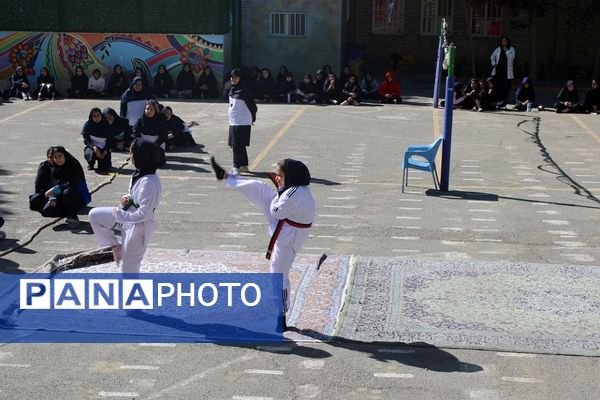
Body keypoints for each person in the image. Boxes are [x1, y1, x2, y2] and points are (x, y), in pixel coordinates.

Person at [210, 157, 315, 331]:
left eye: (280, 175)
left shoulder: (293, 195)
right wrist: (279, 190)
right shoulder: (294, 189)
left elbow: (276, 211)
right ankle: (228, 177)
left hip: (290, 235)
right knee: (259, 188)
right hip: (287, 223)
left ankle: (280, 316)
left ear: (291, 176)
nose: (277, 178)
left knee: (278, 274)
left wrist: (279, 191)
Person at [89, 139, 162, 273]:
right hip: (127, 218)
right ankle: (116, 247)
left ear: (141, 156)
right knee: (94, 215)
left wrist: (120, 215)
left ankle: (133, 292)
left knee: (128, 271)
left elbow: (143, 214)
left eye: (132, 153)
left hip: (139, 228)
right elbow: (133, 195)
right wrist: (127, 198)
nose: (130, 157)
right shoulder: (139, 173)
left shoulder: (149, 182)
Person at [39, 146, 91, 229]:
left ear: (65, 155)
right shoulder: (55, 169)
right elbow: (53, 184)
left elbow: (73, 184)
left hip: (79, 196)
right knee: (47, 211)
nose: (58, 159)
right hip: (63, 195)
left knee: (67, 192)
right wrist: (52, 197)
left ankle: (73, 218)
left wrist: (56, 190)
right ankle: (68, 214)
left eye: (60, 156)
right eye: (55, 157)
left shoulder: (73, 164)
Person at [228, 68, 257, 173]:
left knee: (236, 144)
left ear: (240, 78)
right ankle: (244, 165)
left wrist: (253, 117)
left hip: (242, 121)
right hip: (234, 120)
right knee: (237, 144)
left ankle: (236, 166)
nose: (233, 79)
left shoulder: (244, 90)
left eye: (235, 77)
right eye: (231, 77)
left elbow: (253, 106)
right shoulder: (232, 89)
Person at [133, 100, 168, 166]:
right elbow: (135, 134)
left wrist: (154, 145)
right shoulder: (140, 121)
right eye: (147, 109)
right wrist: (142, 144)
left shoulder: (160, 121)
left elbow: (163, 136)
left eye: (151, 109)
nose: (149, 111)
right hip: (143, 144)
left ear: (155, 111)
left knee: (157, 162)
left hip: (157, 144)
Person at [82, 107, 113, 173]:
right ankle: (91, 163)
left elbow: (110, 141)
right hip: (92, 148)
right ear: (91, 117)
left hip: (104, 149)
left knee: (105, 168)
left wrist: (105, 151)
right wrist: (94, 147)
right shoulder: (88, 125)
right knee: (89, 153)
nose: (97, 118)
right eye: (94, 116)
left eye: (98, 115)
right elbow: (86, 140)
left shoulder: (106, 125)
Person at [490, 36, 516, 106]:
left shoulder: (511, 49)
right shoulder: (498, 49)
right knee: (497, 87)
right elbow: (492, 57)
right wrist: (494, 64)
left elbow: (511, 58)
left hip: (507, 72)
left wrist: (506, 50)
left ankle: (503, 102)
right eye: (502, 41)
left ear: (508, 42)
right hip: (498, 71)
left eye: (505, 41)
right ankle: (496, 102)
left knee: (505, 88)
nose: (503, 43)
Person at [29, 147, 55, 214]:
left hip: (58, 192)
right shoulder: (44, 166)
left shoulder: (63, 166)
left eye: (53, 157)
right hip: (46, 193)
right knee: (35, 199)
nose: (52, 159)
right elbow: (38, 185)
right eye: (50, 157)